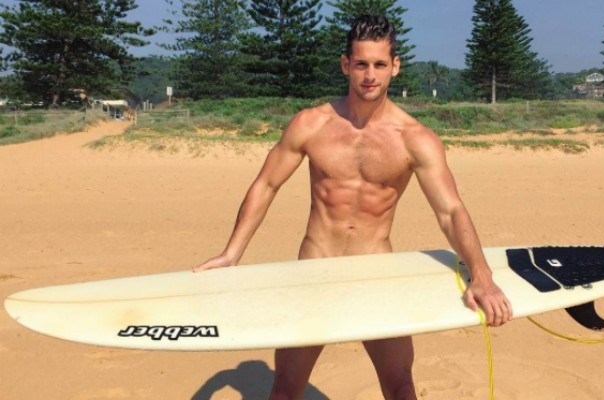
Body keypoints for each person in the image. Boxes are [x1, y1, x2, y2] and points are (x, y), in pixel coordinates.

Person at [194, 14, 512, 400]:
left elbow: (450, 210)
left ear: (395, 66)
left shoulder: (415, 139)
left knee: (400, 388)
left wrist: (481, 275)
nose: (369, 75)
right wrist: (232, 253)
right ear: (346, 64)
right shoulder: (311, 124)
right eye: (361, 63)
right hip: (314, 271)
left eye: (380, 64)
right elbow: (266, 185)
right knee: (285, 388)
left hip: (377, 275)